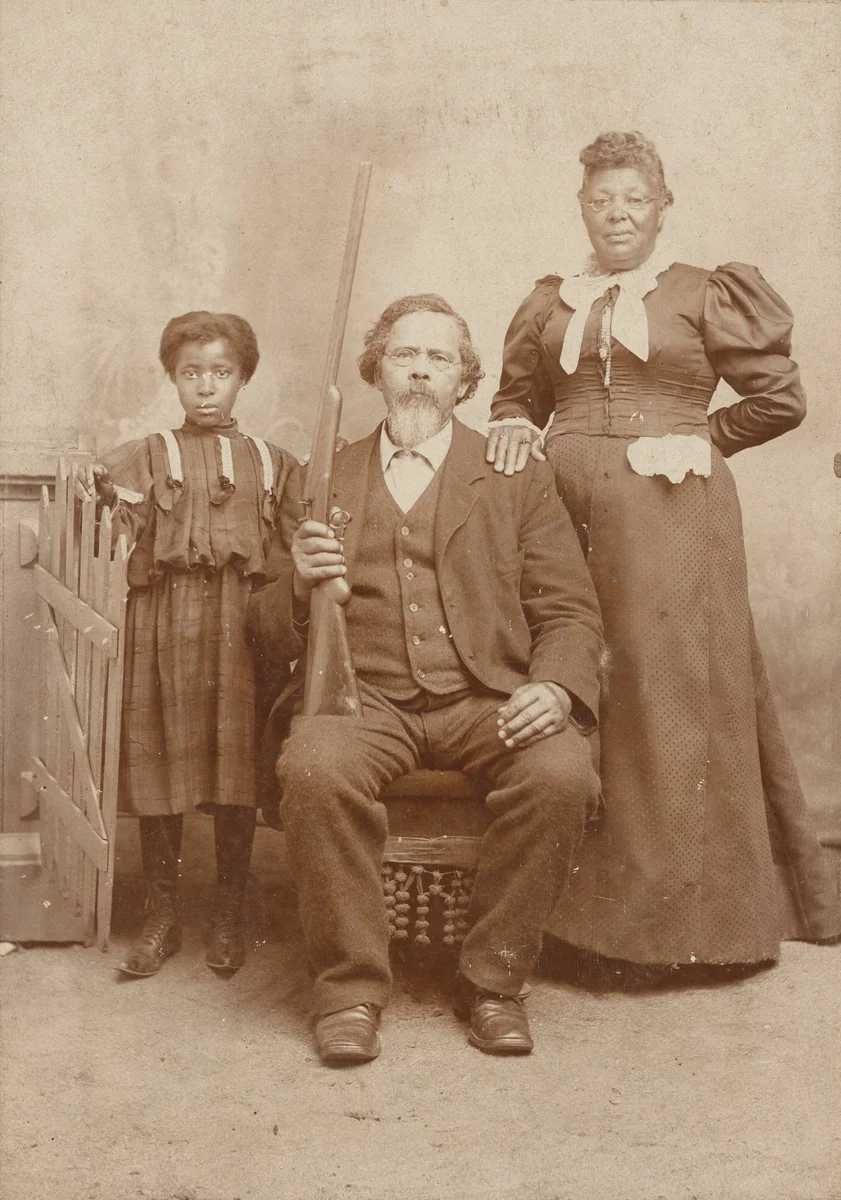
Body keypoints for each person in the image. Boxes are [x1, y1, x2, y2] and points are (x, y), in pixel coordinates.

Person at [486, 131, 841, 968]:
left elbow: (779, 398)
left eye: (633, 200)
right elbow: (513, 399)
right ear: (581, 207)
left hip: (671, 517)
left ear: (660, 208)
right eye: (601, 199)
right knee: (572, 676)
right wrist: (512, 431)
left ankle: (684, 930)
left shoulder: (700, 291)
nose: (617, 214)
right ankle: (564, 920)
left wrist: (696, 437)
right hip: (561, 510)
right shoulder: (549, 299)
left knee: (663, 696)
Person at [248, 294, 603, 1063]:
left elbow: (571, 610)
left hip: (485, 697)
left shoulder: (512, 476)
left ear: (464, 378)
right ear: (376, 367)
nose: (419, 370)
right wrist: (301, 588)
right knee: (313, 768)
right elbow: (263, 625)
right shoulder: (321, 477)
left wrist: (554, 688)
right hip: (361, 698)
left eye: (439, 358)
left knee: (560, 773)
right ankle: (347, 991)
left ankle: (493, 983)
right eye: (404, 354)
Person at [83, 312, 296, 977]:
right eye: (191, 373)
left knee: (234, 766)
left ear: (243, 378)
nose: (206, 388)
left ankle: (229, 908)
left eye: (221, 373)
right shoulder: (146, 454)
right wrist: (100, 498)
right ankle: (162, 911)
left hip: (240, 625)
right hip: (162, 620)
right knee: (159, 762)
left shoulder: (271, 462)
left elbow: (295, 554)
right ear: (174, 378)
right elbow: (100, 525)